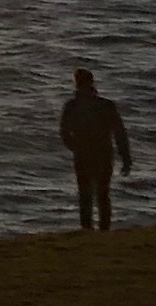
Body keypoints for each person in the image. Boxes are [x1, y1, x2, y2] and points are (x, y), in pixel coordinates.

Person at [58, 65, 136, 233]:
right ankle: (103, 230)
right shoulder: (105, 105)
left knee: (87, 195)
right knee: (101, 194)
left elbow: (64, 132)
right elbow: (119, 133)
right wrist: (126, 157)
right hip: (102, 153)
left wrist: (75, 146)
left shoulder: (72, 106)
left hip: (86, 154)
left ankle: (89, 229)